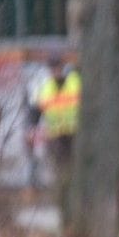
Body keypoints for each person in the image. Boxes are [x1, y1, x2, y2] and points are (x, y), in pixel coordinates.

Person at [28, 53, 81, 189]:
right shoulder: (46, 88)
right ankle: (66, 194)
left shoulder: (75, 82)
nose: (55, 71)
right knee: (62, 170)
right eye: (52, 68)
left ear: (62, 67)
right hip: (56, 136)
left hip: (77, 134)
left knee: (79, 168)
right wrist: (32, 127)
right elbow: (36, 109)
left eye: (57, 67)